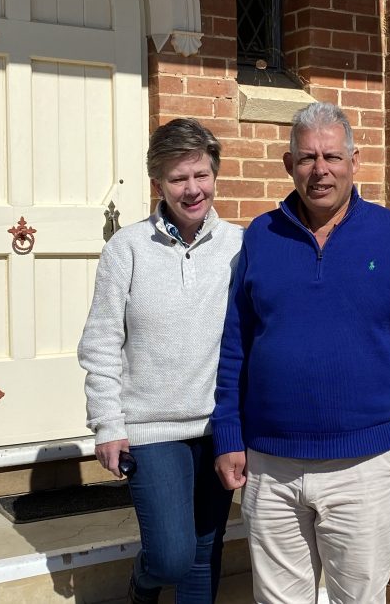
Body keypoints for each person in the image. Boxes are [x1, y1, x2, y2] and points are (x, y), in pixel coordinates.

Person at [212, 102, 390, 603]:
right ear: (288, 165)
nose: (319, 170)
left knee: (358, 598)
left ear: (354, 161)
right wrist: (228, 434)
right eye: (306, 158)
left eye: (331, 157)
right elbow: (235, 346)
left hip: (361, 467)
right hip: (270, 464)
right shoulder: (261, 236)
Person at [78, 118, 242, 604]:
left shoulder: (239, 246)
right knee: (171, 555)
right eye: (178, 179)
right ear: (158, 185)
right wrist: (108, 424)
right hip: (152, 429)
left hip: (219, 428)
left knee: (204, 551)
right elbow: (102, 342)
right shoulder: (126, 249)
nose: (193, 190)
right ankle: (142, 583)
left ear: (215, 175)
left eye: (201, 176)